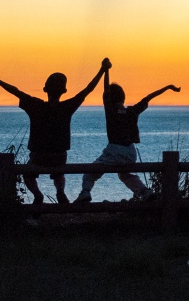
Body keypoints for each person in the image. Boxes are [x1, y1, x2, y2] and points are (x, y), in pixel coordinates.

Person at [0, 58, 110, 205]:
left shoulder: (35, 106)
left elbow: (15, 91)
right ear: (64, 91)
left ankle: (38, 194)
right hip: (59, 157)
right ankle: (60, 192)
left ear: (45, 89)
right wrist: (102, 70)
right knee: (59, 173)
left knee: (28, 173)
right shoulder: (67, 107)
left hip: (39, 156)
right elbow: (88, 90)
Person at [76, 75, 180, 204]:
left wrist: (106, 70)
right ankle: (144, 191)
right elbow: (149, 97)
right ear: (123, 98)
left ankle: (85, 192)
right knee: (124, 175)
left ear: (111, 99)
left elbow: (106, 92)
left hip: (114, 150)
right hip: (130, 152)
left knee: (90, 173)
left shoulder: (111, 110)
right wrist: (168, 87)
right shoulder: (132, 111)